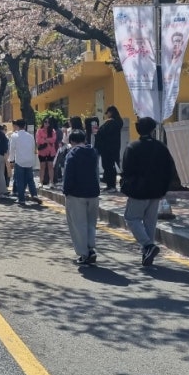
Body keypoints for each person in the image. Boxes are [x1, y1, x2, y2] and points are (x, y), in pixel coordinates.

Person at [120, 117, 177, 266]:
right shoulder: (161, 147)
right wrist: (164, 188)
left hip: (138, 190)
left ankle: (148, 245)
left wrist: (125, 185)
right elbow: (170, 169)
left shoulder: (133, 147)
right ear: (152, 130)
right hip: (157, 190)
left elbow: (126, 170)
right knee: (150, 222)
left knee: (132, 218)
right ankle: (147, 253)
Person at [62, 129, 100, 264]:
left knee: (78, 225)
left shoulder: (72, 154)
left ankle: (85, 253)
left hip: (76, 194)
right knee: (91, 223)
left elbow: (68, 175)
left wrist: (65, 191)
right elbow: (96, 174)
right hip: (93, 193)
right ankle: (90, 248)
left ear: (72, 141)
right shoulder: (93, 152)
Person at [11, 120, 41, 205]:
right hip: (29, 160)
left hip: (19, 160)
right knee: (30, 179)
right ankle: (34, 194)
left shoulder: (14, 136)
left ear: (17, 126)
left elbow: (12, 149)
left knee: (20, 180)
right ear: (25, 126)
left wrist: (11, 160)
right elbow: (33, 148)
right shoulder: (30, 136)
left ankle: (21, 199)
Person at [95, 106, 124, 192]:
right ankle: (110, 185)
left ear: (111, 112)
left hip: (108, 148)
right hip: (113, 147)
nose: (107, 115)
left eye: (107, 113)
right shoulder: (117, 122)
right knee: (110, 166)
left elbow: (102, 132)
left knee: (109, 167)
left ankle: (111, 185)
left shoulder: (111, 122)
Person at [35, 117, 58, 187]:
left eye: (48, 122)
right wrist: (48, 140)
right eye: (45, 122)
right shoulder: (39, 131)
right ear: (43, 122)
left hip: (51, 151)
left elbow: (54, 140)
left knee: (50, 166)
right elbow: (38, 140)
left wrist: (44, 139)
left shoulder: (52, 131)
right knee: (42, 167)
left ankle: (51, 182)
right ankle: (40, 182)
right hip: (42, 151)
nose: (47, 124)